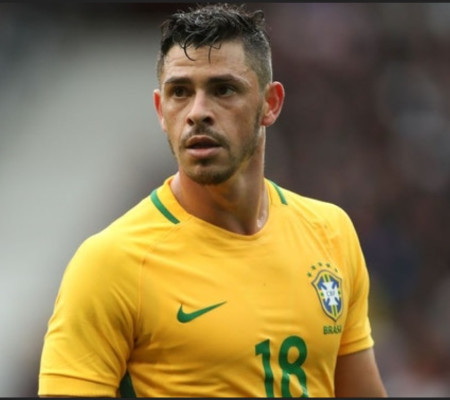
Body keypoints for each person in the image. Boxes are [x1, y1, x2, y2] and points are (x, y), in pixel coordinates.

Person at [38, 3, 387, 397]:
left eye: (223, 90)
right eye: (180, 92)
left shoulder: (331, 233)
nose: (198, 112)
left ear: (270, 104)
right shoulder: (112, 264)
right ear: (161, 110)